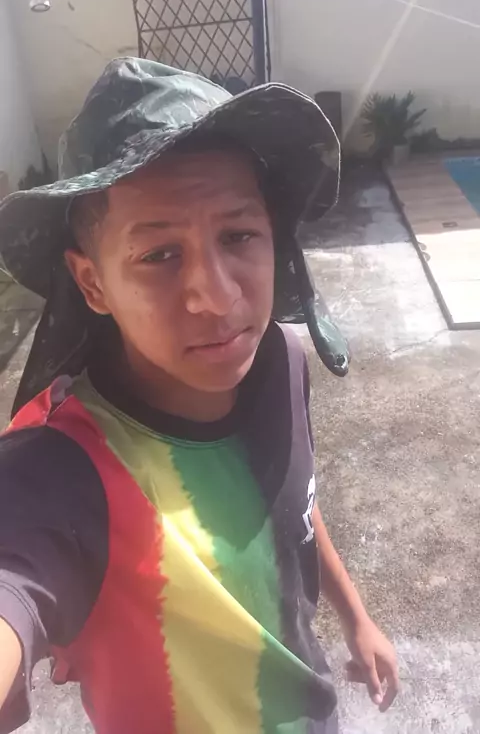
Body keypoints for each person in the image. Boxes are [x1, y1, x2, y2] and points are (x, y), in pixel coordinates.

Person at [0, 58, 398, 734]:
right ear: (92, 283)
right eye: (159, 255)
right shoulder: (62, 469)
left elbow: (293, 496)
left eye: (238, 235)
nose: (217, 296)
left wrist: (356, 616)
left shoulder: (279, 361)